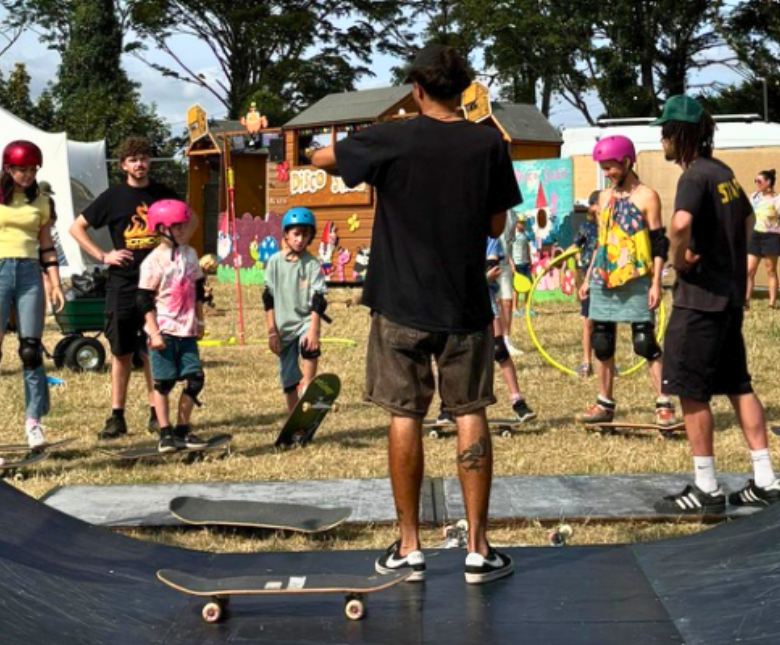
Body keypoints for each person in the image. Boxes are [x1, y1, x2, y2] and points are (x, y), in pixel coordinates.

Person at [311, 43, 519, 584]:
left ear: (417, 89)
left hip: (400, 304)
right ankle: (477, 548)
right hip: (464, 304)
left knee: (406, 415)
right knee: (469, 411)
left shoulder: (394, 136)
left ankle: (409, 547)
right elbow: (496, 227)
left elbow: (320, 160)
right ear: (466, 90)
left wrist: (373, 140)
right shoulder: (487, 143)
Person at [652, 95, 780, 513]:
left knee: (691, 392)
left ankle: (706, 488)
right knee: (739, 386)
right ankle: (765, 480)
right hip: (727, 302)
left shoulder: (693, 177)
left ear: (679, 135)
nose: (662, 140)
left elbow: (679, 224)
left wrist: (678, 259)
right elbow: (747, 218)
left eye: (665, 132)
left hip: (698, 304)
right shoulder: (724, 173)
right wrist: (731, 257)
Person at [70, 136, 193, 440]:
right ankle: (117, 416)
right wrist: (103, 256)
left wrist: (176, 247)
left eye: (144, 158)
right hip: (123, 282)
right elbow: (76, 227)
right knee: (121, 351)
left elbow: (193, 218)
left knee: (155, 347)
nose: (140, 164)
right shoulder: (113, 198)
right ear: (123, 165)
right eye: (133, 159)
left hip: (158, 286)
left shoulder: (162, 194)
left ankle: (157, 413)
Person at [578, 135, 677, 426]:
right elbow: (600, 241)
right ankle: (604, 403)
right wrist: (587, 279)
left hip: (636, 278)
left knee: (645, 342)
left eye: (610, 167)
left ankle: (664, 404)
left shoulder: (647, 196)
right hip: (603, 278)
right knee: (602, 342)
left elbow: (659, 243)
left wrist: (657, 282)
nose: (607, 173)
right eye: (603, 168)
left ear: (626, 161)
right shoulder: (604, 198)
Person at [0, 140, 65, 447]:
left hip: (29, 273)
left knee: (30, 350)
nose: (26, 175)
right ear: (7, 168)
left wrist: (55, 283)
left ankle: (33, 422)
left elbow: (47, 247)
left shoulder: (41, 202)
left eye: (31, 170)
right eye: (20, 170)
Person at [137, 200, 208, 453]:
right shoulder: (152, 262)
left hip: (187, 329)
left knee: (196, 379)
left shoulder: (190, 255)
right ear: (161, 228)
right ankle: (165, 433)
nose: (181, 231)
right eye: (176, 227)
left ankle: (182, 430)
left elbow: (199, 289)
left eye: (183, 226)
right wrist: (154, 332)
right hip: (163, 331)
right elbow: (144, 301)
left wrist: (199, 320)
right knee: (163, 384)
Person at [263, 207, 328, 413]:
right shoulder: (274, 262)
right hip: (283, 327)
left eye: (305, 235)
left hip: (304, 321)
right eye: (296, 234)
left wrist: (314, 330)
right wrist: (272, 331)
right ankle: (294, 416)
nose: (300, 239)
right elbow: (268, 298)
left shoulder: (312, 264)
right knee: (288, 379)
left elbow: (318, 300)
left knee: (309, 346)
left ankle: (308, 386)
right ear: (286, 235)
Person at [486, 238, 536, 422]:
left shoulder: (489, 238)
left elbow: (492, 268)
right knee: (455, 352)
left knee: (500, 349)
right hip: (459, 301)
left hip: (485, 299)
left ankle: (518, 402)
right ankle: (448, 407)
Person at [571, 191, 600, 378]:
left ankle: (606, 362)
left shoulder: (610, 226)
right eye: (599, 203)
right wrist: (559, 260)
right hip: (588, 278)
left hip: (606, 278)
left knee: (605, 324)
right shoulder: (587, 227)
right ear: (592, 206)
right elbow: (575, 246)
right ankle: (586, 362)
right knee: (588, 322)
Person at [746, 169, 780, 309]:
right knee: (749, 270)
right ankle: (746, 301)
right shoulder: (754, 197)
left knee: (770, 270)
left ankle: (772, 303)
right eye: (755, 181)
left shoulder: (777, 200)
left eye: (759, 181)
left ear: (769, 183)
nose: (757, 183)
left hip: (771, 236)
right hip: (755, 235)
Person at [511, 214, 532, 317]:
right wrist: (511, 263)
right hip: (517, 263)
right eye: (521, 222)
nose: (522, 225)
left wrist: (529, 258)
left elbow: (527, 246)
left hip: (525, 263)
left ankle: (526, 308)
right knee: (517, 288)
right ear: (516, 222)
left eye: (524, 223)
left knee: (528, 285)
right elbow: (508, 249)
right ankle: (514, 309)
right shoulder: (513, 234)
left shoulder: (525, 234)